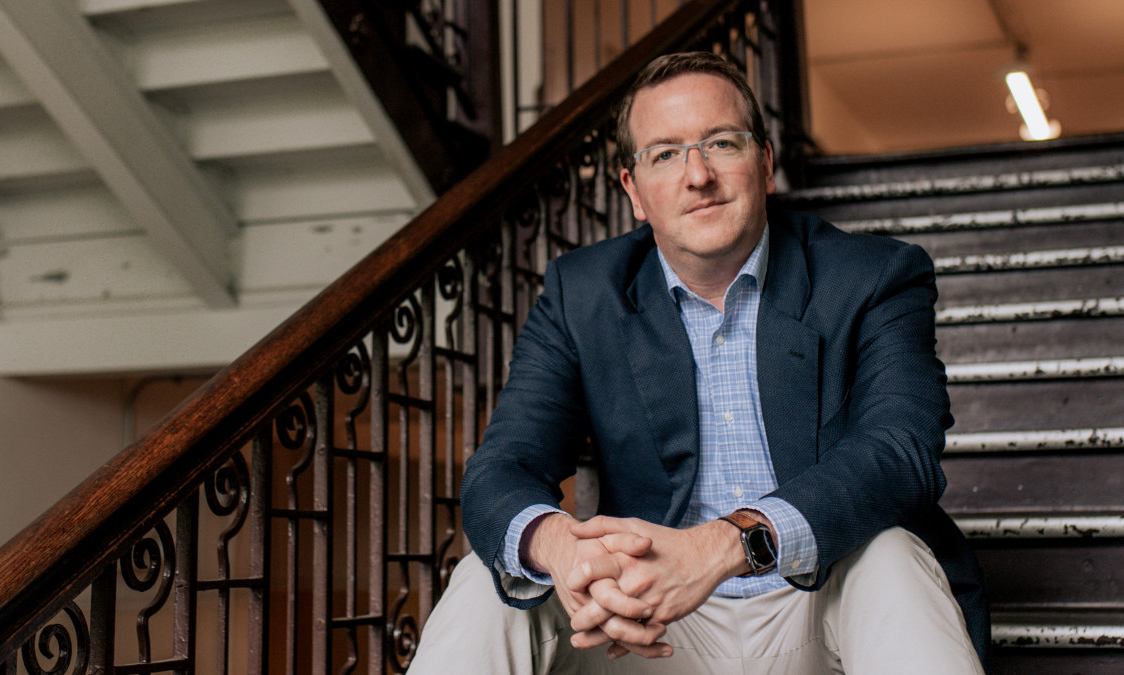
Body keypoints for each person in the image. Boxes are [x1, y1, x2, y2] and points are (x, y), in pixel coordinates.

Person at [408, 52, 988, 674]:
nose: (697, 175)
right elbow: (503, 467)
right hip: (650, 632)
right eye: (665, 154)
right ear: (633, 191)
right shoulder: (583, 295)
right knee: (489, 577)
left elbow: (900, 454)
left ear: (765, 164)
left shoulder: (872, 277)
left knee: (891, 554)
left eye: (720, 143)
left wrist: (722, 545)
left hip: (818, 608)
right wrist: (559, 549)